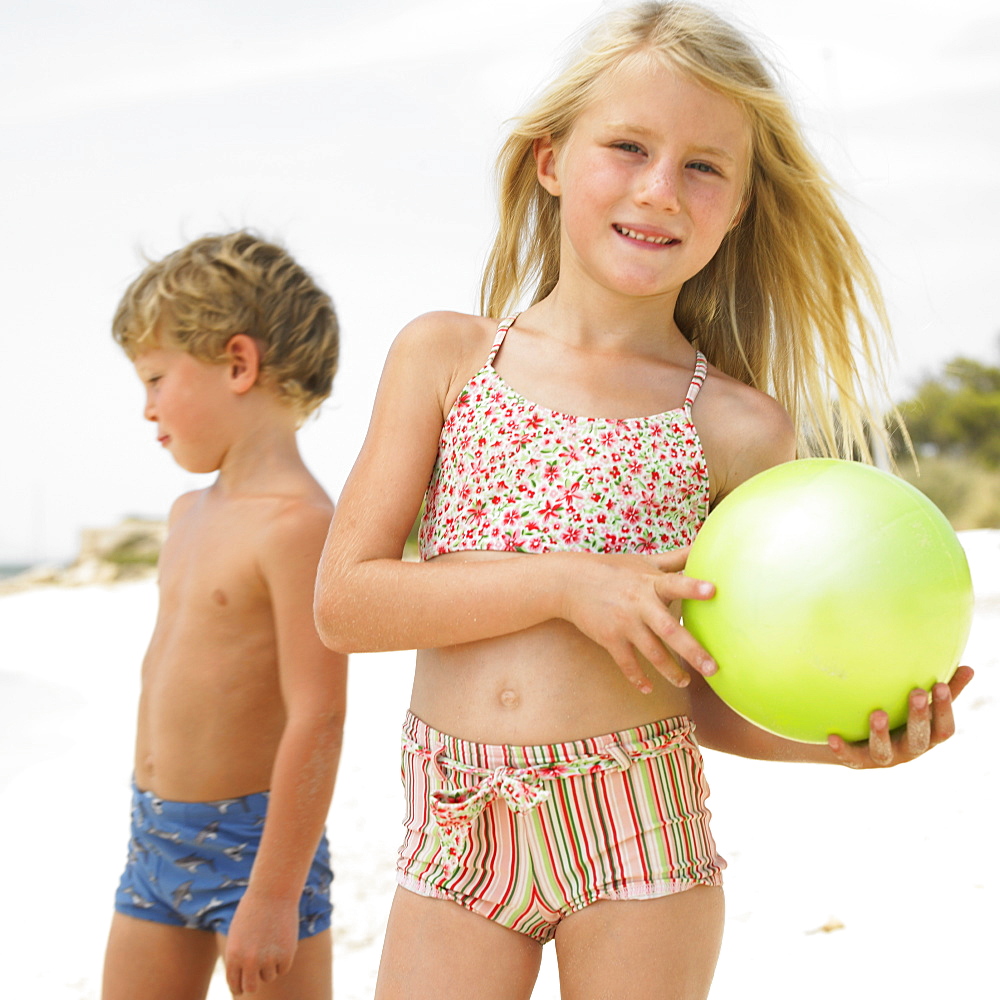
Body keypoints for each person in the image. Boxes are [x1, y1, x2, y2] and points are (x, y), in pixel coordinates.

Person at [314, 4, 973, 998]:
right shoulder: (447, 358)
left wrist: (837, 747)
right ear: (550, 161)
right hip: (453, 835)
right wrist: (567, 585)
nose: (659, 189)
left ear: (743, 203)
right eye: (627, 147)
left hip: (638, 832)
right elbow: (347, 603)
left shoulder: (741, 427)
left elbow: (701, 686)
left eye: (705, 166)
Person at [102, 231, 347, 1000]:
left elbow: (319, 715)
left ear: (237, 364)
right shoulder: (185, 513)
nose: (146, 409)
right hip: (153, 834)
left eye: (154, 379)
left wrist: (274, 896)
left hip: (258, 849)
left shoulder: (298, 525)